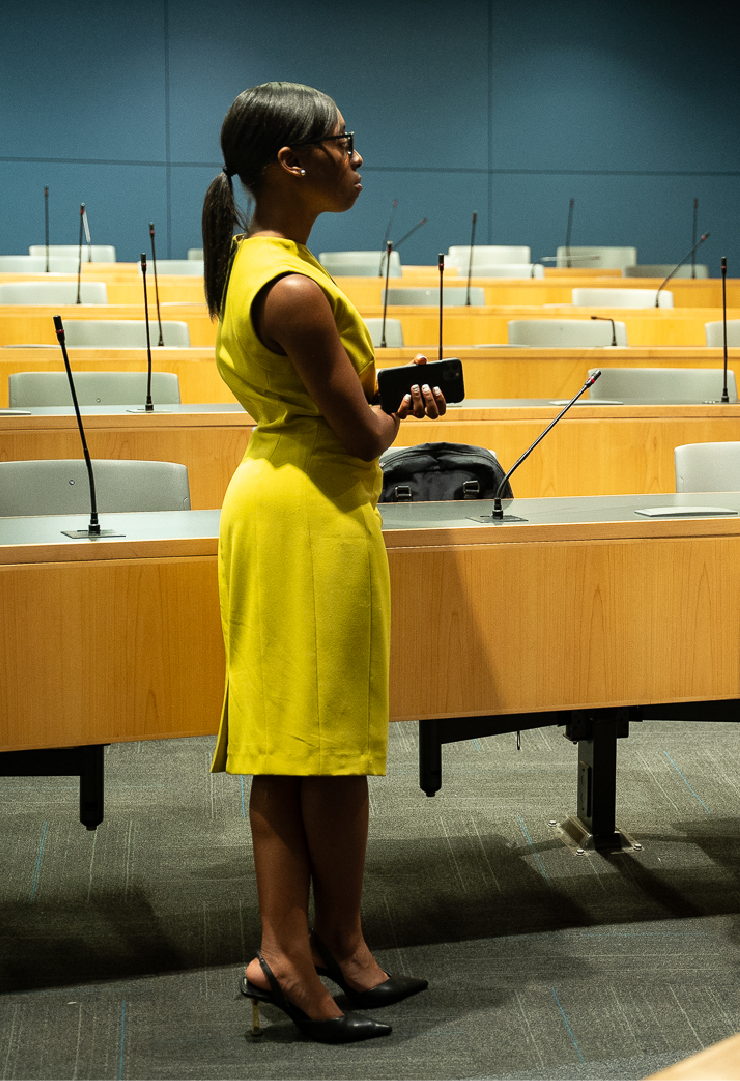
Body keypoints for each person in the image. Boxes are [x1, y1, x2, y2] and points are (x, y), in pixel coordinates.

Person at [201, 82, 446, 1041]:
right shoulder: (292, 285)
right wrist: (403, 407)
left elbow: (335, 407)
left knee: (327, 748)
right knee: (295, 747)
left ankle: (342, 946)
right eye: (339, 143)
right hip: (307, 513)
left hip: (302, 501)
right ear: (287, 166)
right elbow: (359, 433)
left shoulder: (270, 261)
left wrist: (382, 396)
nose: (356, 154)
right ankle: (285, 955)